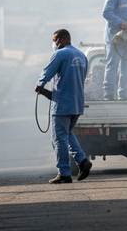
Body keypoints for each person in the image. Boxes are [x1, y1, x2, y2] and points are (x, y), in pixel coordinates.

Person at [35, 29, 93, 184]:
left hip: (62, 105)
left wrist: (39, 84)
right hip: (77, 104)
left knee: (59, 139)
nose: (54, 44)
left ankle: (64, 173)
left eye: (55, 40)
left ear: (60, 40)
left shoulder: (59, 54)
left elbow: (47, 72)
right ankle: (82, 161)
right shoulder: (82, 56)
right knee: (66, 134)